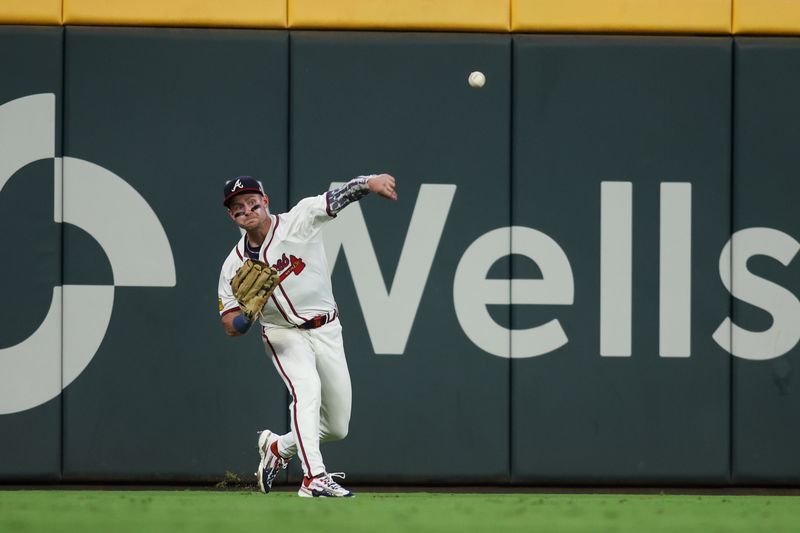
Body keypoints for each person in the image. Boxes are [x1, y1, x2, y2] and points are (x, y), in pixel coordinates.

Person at [217, 173, 398, 498]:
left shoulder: (298, 220)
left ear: (265, 200)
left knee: (337, 425)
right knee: (307, 389)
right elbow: (230, 325)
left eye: (250, 200)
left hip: (327, 328)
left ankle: (277, 447)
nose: (246, 208)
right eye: (237, 207)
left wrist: (369, 183)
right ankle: (313, 478)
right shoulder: (233, 265)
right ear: (231, 216)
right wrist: (246, 317)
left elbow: (337, 198)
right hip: (283, 333)